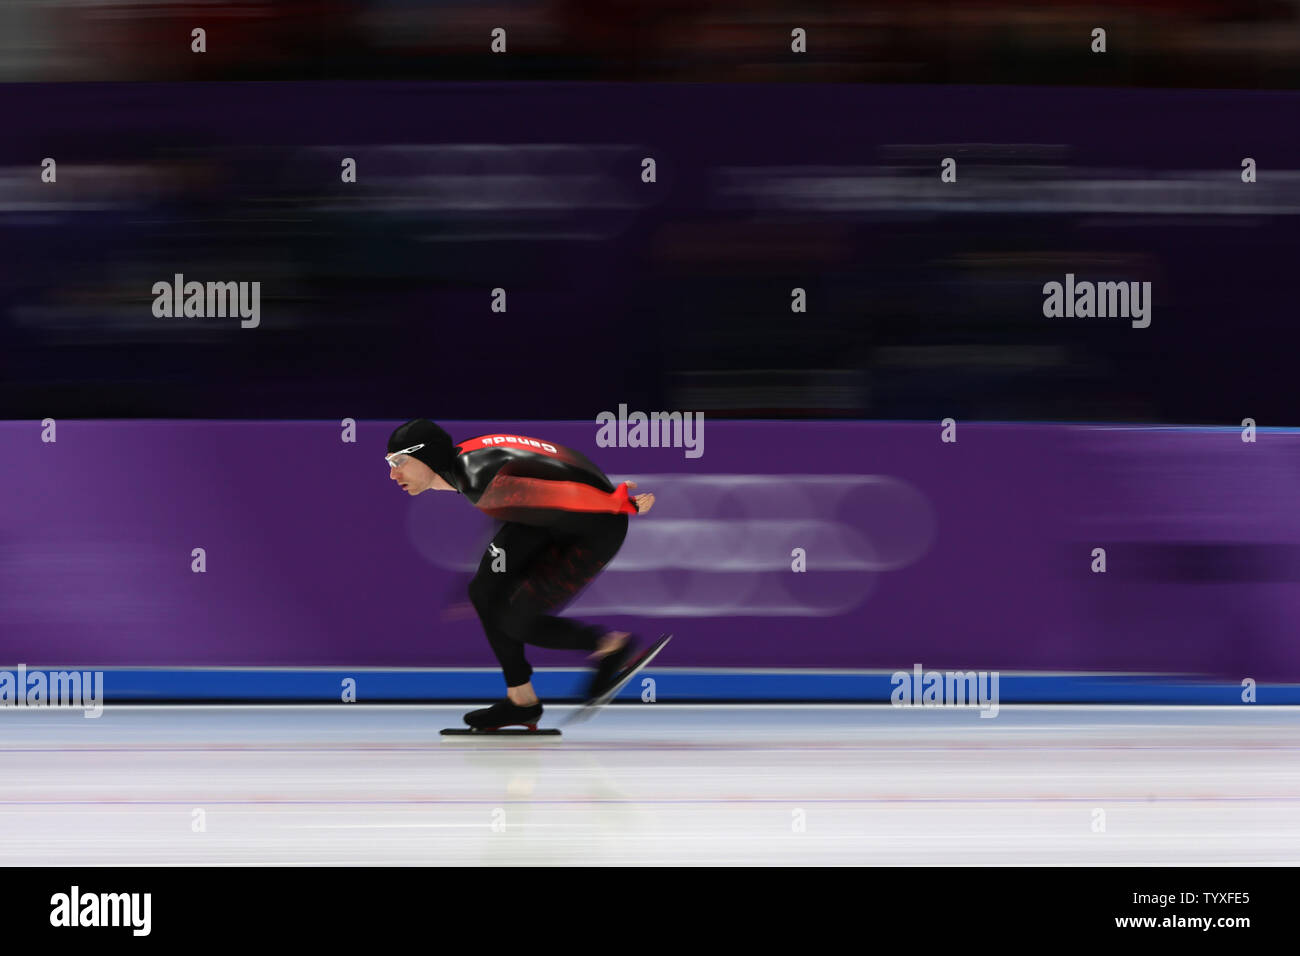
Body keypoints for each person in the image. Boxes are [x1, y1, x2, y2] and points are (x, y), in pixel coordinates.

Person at [386, 418, 657, 730]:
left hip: (592, 527)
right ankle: (521, 702)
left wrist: (613, 502)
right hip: (545, 519)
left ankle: (610, 646)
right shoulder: (466, 461)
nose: (393, 474)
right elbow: (534, 477)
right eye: (390, 463)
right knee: (484, 591)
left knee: (516, 620)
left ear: (428, 455)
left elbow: (564, 495)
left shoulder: (478, 479)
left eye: (400, 462)